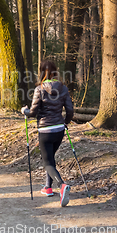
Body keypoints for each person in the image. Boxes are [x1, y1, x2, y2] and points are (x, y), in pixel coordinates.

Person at [21, 60, 74, 207]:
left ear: (41, 71)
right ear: (55, 71)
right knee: (51, 159)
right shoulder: (63, 89)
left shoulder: (39, 89)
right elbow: (70, 111)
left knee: (47, 163)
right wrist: (66, 122)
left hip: (45, 130)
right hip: (59, 130)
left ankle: (62, 186)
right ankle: (48, 188)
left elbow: (32, 112)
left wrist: (23, 111)